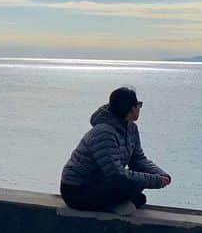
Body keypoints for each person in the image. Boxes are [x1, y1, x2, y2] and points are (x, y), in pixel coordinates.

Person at [60, 86, 171, 216]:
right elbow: (115, 174)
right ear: (131, 109)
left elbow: (138, 159)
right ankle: (111, 205)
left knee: (138, 193)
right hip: (77, 190)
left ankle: (111, 204)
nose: (139, 108)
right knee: (131, 188)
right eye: (138, 105)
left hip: (100, 183)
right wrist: (156, 181)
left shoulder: (131, 129)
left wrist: (161, 175)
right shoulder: (103, 133)